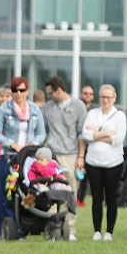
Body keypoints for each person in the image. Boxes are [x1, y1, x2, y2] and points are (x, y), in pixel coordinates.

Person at [41, 75, 87, 241]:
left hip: (71, 155)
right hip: (51, 154)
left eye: (50, 93)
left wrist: (81, 156)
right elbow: (44, 131)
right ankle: (52, 228)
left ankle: (69, 229)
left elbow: (82, 133)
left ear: (59, 90)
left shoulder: (78, 106)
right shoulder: (47, 108)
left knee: (71, 192)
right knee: (51, 191)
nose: (49, 96)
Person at [80, 84, 126, 241]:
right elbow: (86, 134)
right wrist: (106, 133)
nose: (106, 100)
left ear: (114, 98)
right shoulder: (92, 113)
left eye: (109, 97)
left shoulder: (119, 116)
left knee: (111, 197)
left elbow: (118, 139)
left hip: (113, 162)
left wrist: (95, 134)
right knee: (96, 197)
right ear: (99, 98)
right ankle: (97, 230)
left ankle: (109, 232)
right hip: (93, 161)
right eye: (103, 97)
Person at [0, 76, 46, 154]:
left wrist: (33, 143)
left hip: (29, 154)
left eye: (22, 90)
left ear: (27, 91)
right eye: (15, 90)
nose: (18, 93)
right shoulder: (4, 108)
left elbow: (41, 134)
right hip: (8, 153)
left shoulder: (35, 108)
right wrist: (12, 144)